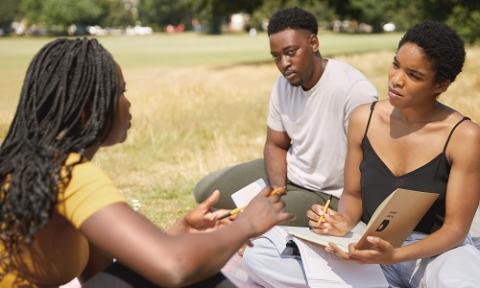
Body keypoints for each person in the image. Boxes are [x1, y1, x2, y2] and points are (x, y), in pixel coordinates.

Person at [0, 38, 293, 288]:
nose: (128, 103)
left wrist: (179, 234)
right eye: (121, 91)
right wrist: (245, 225)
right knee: (198, 276)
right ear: (89, 109)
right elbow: (173, 267)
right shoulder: (69, 172)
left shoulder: (39, 163)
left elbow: (104, 276)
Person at [244, 20, 480, 287]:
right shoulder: (363, 119)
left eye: (413, 75)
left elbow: (455, 230)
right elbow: (353, 195)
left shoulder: (464, 136)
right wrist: (343, 222)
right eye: (395, 65)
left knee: (463, 280)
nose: (396, 80)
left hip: (434, 254)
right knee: (258, 256)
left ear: (441, 84)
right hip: (369, 250)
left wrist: (397, 255)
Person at [194, 7, 377, 226]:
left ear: (314, 43)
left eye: (291, 52)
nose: (283, 64)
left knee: (260, 220)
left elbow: (369, 164)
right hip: (290, 175)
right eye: (276, 56)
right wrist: (277, 189)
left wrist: (348, 214)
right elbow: (275, 145)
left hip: (329, 194)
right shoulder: (283, 84)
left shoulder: (353, 89)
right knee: (206, 191)